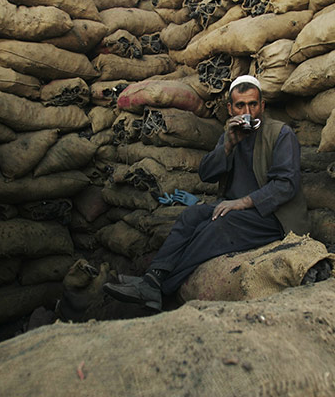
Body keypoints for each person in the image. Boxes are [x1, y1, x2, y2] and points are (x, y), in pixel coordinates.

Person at [103, 75, 310, 311]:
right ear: (231, 109)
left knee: (218, 226)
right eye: (240, 105)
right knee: (190, 217)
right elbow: (206, 173)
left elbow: (286, 184)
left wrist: (242, 202)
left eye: (253, 104)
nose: (248, 112)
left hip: (273, 217)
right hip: (237, 209)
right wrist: (228, 146)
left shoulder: (280, 134)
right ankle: (153, 276)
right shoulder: (230, 135)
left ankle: (158, 287)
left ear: (262, 106)